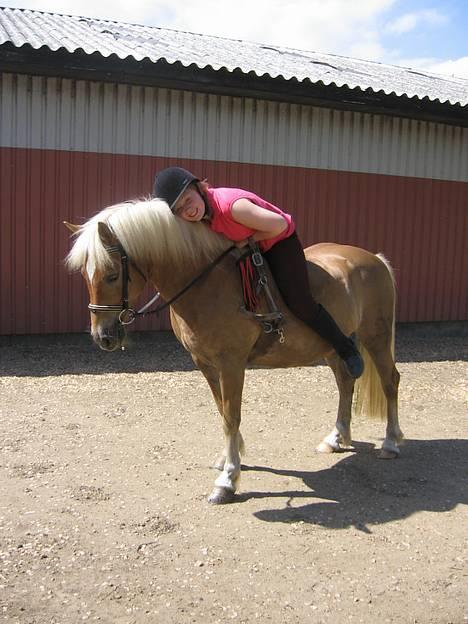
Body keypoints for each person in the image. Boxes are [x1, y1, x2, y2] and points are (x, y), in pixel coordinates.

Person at [153, 166, 364, 378]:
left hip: (278, 242)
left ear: (198, 188)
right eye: (179, 209)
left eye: (188, 200)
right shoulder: (201, 216)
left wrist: (244, 241)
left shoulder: (231, 207)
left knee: (300, 302)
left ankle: (346, 347)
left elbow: (280, 225)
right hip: (247, 246)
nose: (187, 210)